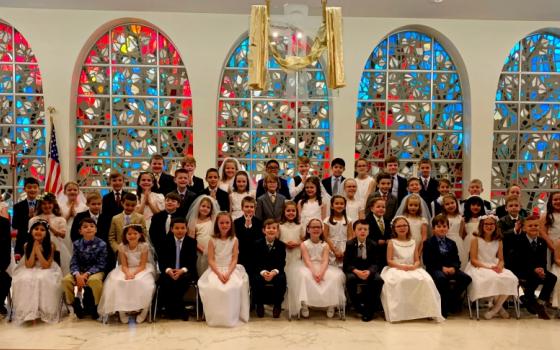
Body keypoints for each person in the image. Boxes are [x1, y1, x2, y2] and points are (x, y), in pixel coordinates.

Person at [380, 216, 444, 323]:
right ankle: (400, 313)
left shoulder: (413, 242)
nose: (402, 228)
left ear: (408, 227)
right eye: (399, 226)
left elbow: (417, 260)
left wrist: (414, 266)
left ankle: (427, 311)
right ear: (394, 229)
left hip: (412, 268)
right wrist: (402, 267)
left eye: (404, 225)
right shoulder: (392, 242)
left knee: (426, 280)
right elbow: (389, 260)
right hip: (396, 268)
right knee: (400, 281)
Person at [198, 212, 250, 327]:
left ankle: (230, 317)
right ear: (217, 224)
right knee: (214, 287)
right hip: (215, 269)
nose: (224, 225)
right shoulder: (212, 240)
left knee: (232, 286)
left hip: (230, 269)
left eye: (227, 223)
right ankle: (216, 317)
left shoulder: (234, 240)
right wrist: (219, 274)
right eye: (222, 223)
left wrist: (228, 273)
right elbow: (211, 260)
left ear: (231, 224)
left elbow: (234, 259)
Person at [287, 219, 346, 319]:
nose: (316, 229)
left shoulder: (325, 245)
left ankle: (331, 305)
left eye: (318, 227)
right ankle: (304, 304)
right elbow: (307, 260)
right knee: (304, 276)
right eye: (313, 227)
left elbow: (325, 261)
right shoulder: (304, 244)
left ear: (322, 230)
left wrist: (321, 273)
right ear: (308, 229)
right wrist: (314, 273)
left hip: (323, 266)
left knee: (335, 277)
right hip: (308, 266)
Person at [98, 224, 156, 324]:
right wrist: (128, 273)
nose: (132, 236)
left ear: (140, 235)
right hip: (126, 269)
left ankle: (144, 311)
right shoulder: (122, 247)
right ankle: (121, 310)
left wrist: (134, 274)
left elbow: (142, 265)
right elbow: (124, 265)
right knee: (117, 281)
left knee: (142, 282)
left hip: (141, 269)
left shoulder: (144, 246)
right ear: (125, 235)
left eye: (135, 233)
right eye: (129, 234)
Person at [464, 214, 518, 320]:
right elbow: (474, 260)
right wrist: (489, 268)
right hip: (479, 266)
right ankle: (499, 308)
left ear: (495, 225)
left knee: (511, 278)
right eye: (486, 224)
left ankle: (495, 309)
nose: (489, 226)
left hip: (494, 264)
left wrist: (499, 267)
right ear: (481, 226)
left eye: (492, 224)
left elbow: (501, 259)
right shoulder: (475, 239)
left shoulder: (498, 240)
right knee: (490, 278)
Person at [11, 220, 63, 325]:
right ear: (31, 231)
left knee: (42, 278)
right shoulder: (26, 245)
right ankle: (29, 312)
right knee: (24, 278)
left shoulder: (51, 245)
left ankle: (43, 311)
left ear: (47, 233)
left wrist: (38, 251)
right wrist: (34, 248)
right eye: (36, 229)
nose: (39, 231)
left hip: (47, 269)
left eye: (42, 230)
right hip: (31, 268)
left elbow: (46, 265)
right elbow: (29, 265)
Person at [423, 214, 472, 318]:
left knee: (466, 278)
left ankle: (451, 299)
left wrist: (454, 268)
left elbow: (456, 260)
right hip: (435, 268)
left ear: (448, 228)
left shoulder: (452, 243)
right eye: (439, 226)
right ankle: (443, 307)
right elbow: (428, 260)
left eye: (444, 226)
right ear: (433, 229)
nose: (442, 229)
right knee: (441, 279)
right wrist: (442, 268)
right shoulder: (428, 243)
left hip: (451, 268)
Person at [511, 215, 556, 319]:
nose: (533, 227)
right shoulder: (519, 240)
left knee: (552, 278)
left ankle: (538, 302)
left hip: (537, 270)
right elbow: (518, 260)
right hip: (522, 269)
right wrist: (534, 269)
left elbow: (543, 261)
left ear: (539, 227)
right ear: (524, 228)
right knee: (534, 276)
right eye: (530, 225)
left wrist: (542, 269)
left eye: (536, 225)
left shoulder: (542, 242)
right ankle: (529, 298)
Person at [62, 218, 107, 319]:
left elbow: (101, 264)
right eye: (85, 227)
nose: (89, 229)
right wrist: (77, 274)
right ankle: (75, 304)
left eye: (92, 226)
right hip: (79, 271)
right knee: (66, 281)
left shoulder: (102, 244)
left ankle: (97, 307)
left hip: (95, 271)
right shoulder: (77, 244)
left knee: (94, 281)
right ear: (80, 231)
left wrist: (86, 274)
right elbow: (74, 262)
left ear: (96, 229)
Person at [157, 217, 197, 320]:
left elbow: (192, 261)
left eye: (183, 228)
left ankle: (172, 310)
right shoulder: (164, 241)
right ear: (172, 229)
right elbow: (161, 260)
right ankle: (180, 309)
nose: (180, 230)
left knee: (181, 281)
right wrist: (169, 270)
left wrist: (181, 271)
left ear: (186, 229)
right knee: (166, 281)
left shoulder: (191, 242)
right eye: (177, 228)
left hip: (185, 272)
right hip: (169, 271)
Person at [343, 219, 383, 322]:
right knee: (350, 280)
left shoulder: (373, 244)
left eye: (365, 229)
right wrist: (356, 271)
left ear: (368, 231)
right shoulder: (350, 244)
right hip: (355, 271)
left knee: (378, 280)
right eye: (359, 229)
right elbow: (347, 264)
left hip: (368, 270)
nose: (362, 231)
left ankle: (370, 308)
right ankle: (358, 307)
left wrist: (369, 271)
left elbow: (375, 263)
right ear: (354, 231)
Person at [252, 219, 287, 318]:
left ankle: (277, 304)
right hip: (261, 271)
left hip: (275, 271)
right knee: (256, 279)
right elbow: (255, 261)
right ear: (264, 230)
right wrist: (263, 272)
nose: (271, 230)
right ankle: (259, 304)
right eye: (268, 228)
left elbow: (282, 262)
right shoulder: (257, 244)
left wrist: (273, 272)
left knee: (281, 280)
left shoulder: (281, 245)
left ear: (277, 231)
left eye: (274, 228)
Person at [31, 193, 70, 275]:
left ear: (54, 205)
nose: (47, 206)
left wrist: (49, 226)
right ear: (40, 205)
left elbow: (63, 235)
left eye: (49, 203)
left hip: (56, 247)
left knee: (56, 272)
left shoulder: (60, 219)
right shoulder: (35, 219)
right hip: (39, 247)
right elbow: (31, 236)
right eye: (44, 204)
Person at [187, 195, 219, 276]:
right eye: (203, 206)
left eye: (208, 207)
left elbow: (217, 234)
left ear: (211, 209)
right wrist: (204, 250)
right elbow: (192, 239)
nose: (205, 208)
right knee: (203, 272)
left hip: (214, 249)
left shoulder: (213, 219)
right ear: (198, 206)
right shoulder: (194, 221)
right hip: (200, 251)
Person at [233, 196, 262, 278]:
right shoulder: (236, 222)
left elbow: (259, 240)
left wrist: (250, 227)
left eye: (251, 207)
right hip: (241, 256)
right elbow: (237, 239)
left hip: (255, 256)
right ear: (242, 208)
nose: (249, 209)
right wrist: (246, 226)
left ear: (255, 208)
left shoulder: (259, 223)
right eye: (246, 206)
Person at [150, 192, 183, 259]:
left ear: (178, 205)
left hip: (176, 248)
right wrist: (157, 246)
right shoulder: (156, 217)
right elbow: (152, 233)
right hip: (159, 248)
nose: (169, 202)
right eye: (167, 200)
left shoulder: (181, 218)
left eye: (173, 201)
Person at [57, 181, 88, 254]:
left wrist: (75, 216)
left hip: (78, 233)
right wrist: (68, 215)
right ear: (65, 192)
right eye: (69, 190)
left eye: (75, 190)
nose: (72, 192)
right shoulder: (60, 207)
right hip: (65, 233)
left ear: (78, 192)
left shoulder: (84, 207)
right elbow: (59, 223)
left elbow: (85, 223)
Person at [13, 177, 41, 256]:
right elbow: (14, 225)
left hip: (39, 241)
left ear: (38, 189)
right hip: (22, 240)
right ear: (24, 189)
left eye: (35, 187)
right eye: (29, 187)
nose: (32, 190)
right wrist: (28, 217)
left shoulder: (42, 205)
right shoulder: (17, 206)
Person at [324, 195, 353, 268]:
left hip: (345, 247)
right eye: (336, 203)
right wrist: (334, 250)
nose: (339, 205)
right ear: (332, 206)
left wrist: (346, 251)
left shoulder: (348, 220)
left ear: (345, 206)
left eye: (342, 204)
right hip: (331, 247)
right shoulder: (327, 220)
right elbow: (326, 237)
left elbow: (350, 236)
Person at [441, 194, 467, 269]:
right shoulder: (441, 217)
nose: (450, 205)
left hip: (457, 242)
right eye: (447, 204)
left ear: (456, 203)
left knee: (457, 260)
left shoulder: (460, 218)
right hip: (444, 241)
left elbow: (461, 234)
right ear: (444, 206)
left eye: (452, 203)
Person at [364, 196, 391, 266]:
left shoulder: (387, 221)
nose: (381, 209)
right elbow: (365, 236)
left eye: (383, 207)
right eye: (378, 207)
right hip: (372, 251)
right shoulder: (367, 221)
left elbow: (389, 233)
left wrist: (388, 239)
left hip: (385, 252)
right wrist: (376, 241)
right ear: (372, 209)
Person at [279, 201, 304, 267]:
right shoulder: (280, 225)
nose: (291, 213)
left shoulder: (300, 226)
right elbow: (276, 240)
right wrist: (285, 244)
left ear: (297, 212)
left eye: (293, 211)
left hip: (296, 253)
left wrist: (297, 244)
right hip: (283, 253)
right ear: (284, 212)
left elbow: (304, 241)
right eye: (288, 211)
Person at [463, 195, 485, 262]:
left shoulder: (483, 219)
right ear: (469, 206)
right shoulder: (464, 219)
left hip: (481, 242)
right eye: (473, 205)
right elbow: (463, 234)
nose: (476, 207)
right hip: (467, 242)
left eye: (478, 205)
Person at [0, 212, 10, 315]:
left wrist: (2, 266)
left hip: (0, 264)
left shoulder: (4, 223)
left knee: (5, 279)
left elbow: (6, 248)